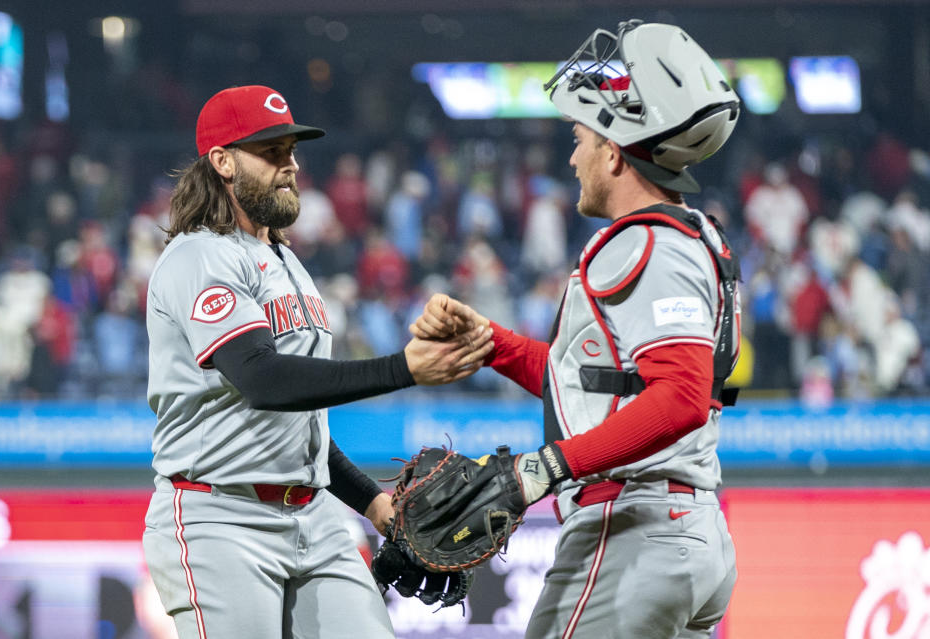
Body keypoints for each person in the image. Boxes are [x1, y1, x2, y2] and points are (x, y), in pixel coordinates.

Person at [412, 21, 742, 638]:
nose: (572, 155)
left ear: (613, 152)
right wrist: (493, 345)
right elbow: (601, 386)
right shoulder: (688, 234)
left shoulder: (646, 243)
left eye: (580, 137)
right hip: (682, 532)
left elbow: (682, 398)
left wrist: (541, 469)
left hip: (632, 528)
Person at [142, 85, 493, 639]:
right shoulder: (200, 254)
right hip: (220, 516)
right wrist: (404, 369)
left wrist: (376, 506)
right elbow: (264, 380)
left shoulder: (285, 260)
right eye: (272, 152)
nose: (291, 166)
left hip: (315, 514)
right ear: (223, 161)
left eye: (291, 151)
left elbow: (299, 424)